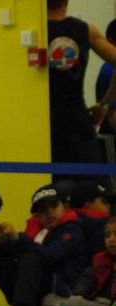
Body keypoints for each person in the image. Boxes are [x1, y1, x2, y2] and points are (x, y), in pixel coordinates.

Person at [47, 0, 116, 184]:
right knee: (91, 193)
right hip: (76, 121)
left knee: (51, 195)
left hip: (43, 124)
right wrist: (104, 104)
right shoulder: (85, 31)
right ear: (66, 2)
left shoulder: (33, 33)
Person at [42, 216, 116, 306]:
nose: (111, 239)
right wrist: (78, 294)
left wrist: (75, 302)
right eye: (107, 235)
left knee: (74, 305)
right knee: (48, 300)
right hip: (93, 303)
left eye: (115, 235)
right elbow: (87, 280)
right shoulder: (100, 258)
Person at [65, 179, 113, 254]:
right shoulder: (104, 227)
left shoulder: (62, 228)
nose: (109, 206)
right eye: (104, 201)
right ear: (88, 205)